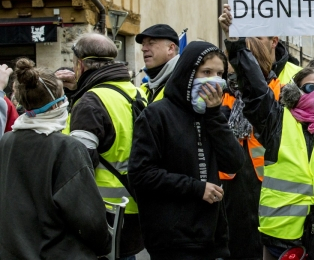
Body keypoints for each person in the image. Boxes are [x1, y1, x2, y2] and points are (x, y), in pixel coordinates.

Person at [226, 37, 314, 260]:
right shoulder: (276, 120)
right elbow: (255, 90)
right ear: (295, 92)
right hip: (282, 235)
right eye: (310, 87)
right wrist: (237, 45)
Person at [128, 41, 245, 260]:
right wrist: (195, 188)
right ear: (189, 73)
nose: (214, 79)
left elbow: (234, 162)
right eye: (206, 72)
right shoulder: (157, 115)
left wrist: (213, 116)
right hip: (173, 238)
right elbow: (140, 174)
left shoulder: (210, 115)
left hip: (212, 237)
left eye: (219, 73)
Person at [0, 58, 110, 259]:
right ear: (57, 104)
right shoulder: (66, 147)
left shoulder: (7, 141)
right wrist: (105, 246)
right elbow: (89, 218)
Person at [57, 33, 146, 260]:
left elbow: (78, 164)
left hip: (103, 211)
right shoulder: (135, 92)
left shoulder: (91, 101)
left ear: (79, 64)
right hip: (135, 204)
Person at [220, 37, 282, 260]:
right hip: (230, 185)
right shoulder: (223, 93)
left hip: (266, 184)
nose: (231, 67)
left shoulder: (278, 91)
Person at [136, 24, 180, 103]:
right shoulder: (144, 89)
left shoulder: (183, 86)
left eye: (151, 43)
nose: (143, 49)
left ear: (170, 48)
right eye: (143, 44)